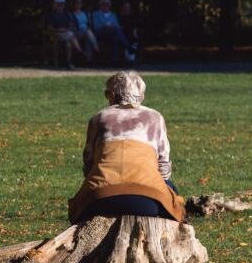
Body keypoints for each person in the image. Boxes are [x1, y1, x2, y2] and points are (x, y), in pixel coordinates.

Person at [68, 71, 185, 224]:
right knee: (170, 190)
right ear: (141, 96)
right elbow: (163, 167)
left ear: (110, 95)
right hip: (148, 201)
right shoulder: (155, 117)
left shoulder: (99, 118)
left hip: (100, 199)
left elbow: (89, 164)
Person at [91, 0, 136, 66]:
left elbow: (117, 26)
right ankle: (129, 47)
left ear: (110, 5)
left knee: (115, 37)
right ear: (100, 5)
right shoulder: (96, 14)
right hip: (101, 33)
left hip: (112, 34)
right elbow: (96, 26)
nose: (106, 6)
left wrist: (111, 27)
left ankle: (115, 61)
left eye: (107, 4)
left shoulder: (113, 15)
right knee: (115, 31)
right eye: (104, 4)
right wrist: (106, 26)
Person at [46, 0, 85, 69]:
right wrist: (58, 30)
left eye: (62, 4)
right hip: (55, 34)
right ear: (55, 5)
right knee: (70, 35)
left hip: (66, 34)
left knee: (68, 44)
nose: (60, 6)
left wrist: (65, 29)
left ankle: (68, 63)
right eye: (58, 4)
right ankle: (80, 51)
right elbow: (49, 27)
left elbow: (70, 25)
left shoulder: (66, 14)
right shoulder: (51, 15)